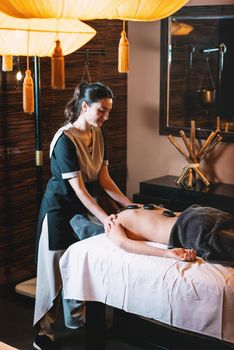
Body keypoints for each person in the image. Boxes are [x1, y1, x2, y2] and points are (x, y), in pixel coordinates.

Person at [33, 82, 132, 350]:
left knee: (81, 264)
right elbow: (78, 188)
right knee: (53, 270)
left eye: (109, 111)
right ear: (85, 107)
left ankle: (79, 321)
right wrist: (105, 218)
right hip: (58, 209)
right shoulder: (65, 139)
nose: (106, 117)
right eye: (102, 110)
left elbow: (104, 179)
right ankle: (43, 333)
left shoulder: (98, 134)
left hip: (81, 207)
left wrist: (131, 205)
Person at [106, 204, 234, 263]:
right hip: (199, 212)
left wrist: (168, 253)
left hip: (189, 229)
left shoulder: (114, 222)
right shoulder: (139, 206)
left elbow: (124, 243)